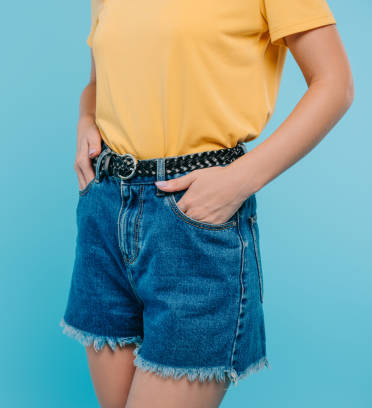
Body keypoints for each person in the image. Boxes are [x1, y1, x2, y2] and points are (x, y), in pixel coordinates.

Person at [59, 0, 354, 407]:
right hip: (105, 215)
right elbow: (99, 80)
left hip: (193, 222)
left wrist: (239, 180)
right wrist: (84, 120)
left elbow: (335, 82)